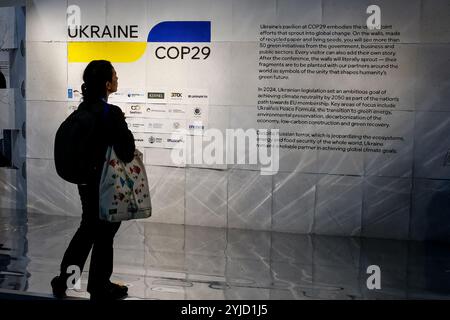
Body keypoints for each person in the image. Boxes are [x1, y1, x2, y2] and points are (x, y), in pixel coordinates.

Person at [51, 60, 135, 300]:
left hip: (85, 181)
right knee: (105, 232)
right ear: (108, 84)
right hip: (106, 183)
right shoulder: (111, 113)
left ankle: (65, 280)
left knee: (88, 229)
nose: (118, 80)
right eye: (115, 76)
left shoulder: (83, 110)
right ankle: (99, 285)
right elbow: (127, 151)